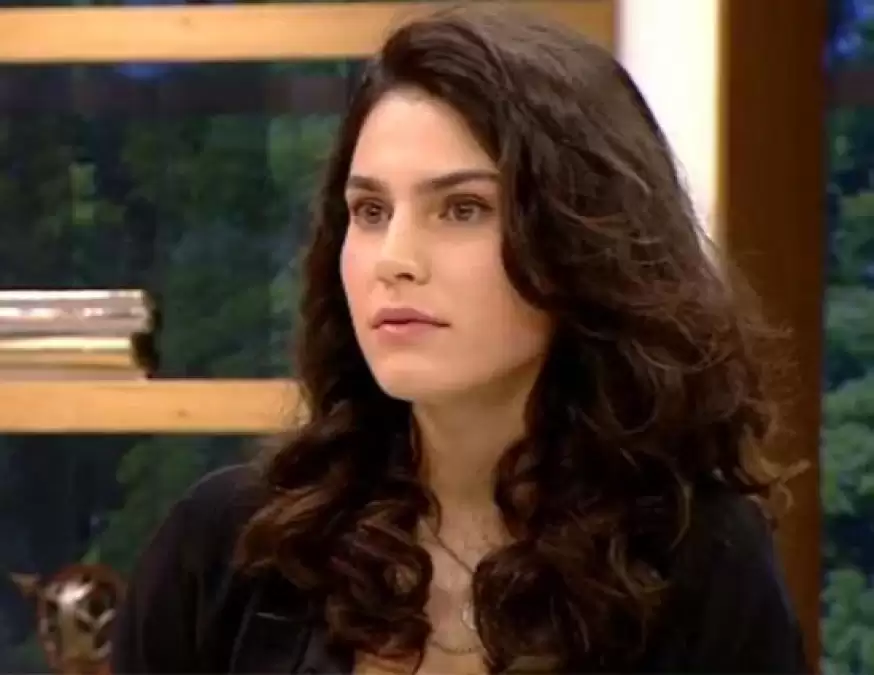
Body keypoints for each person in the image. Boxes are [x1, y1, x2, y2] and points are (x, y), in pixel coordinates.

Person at [111, 5, 810, 674]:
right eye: (370, 210)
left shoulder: (700, 560)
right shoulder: (230, 545)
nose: (394, 258)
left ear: (582, 241)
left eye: (463, 209)